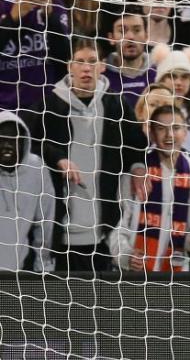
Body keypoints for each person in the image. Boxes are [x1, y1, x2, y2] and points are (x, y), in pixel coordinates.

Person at [24, 38, 147, 272]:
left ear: (102, 66)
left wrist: (139, 167)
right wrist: (58, 158)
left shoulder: (116, 105)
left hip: (103, 229)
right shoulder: (50, 105)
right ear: (70, 66)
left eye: (92, 61)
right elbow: (28, 141)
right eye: (79, 61)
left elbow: (136, 144)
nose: (86, 68)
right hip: (59, 230)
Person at [109, 104, 190, 272]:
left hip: (177, 275)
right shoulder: (135, 177)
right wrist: (125, 255)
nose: (169, 135)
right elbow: (118, 227)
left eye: (176, 128)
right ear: (152, 134)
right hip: (133, 274)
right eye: (161, 128)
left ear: (186, 133)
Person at [0, 111, 54, 272]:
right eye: (2, 139)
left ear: (23, 142)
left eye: (13, 140)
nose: (7, 145)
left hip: (19, 271)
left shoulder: (36, 168)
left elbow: (46, 221)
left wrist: (43, 264)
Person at [101, 7, 155, 107]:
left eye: (137, 30)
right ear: (111, 38)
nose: (130, 36)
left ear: (146, 36)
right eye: (122, 31)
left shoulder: (158, 73)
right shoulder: (101, 77)